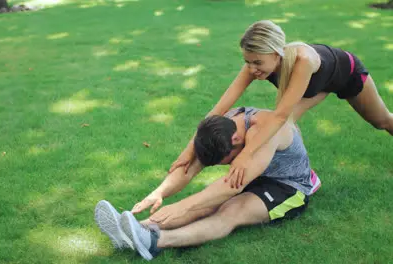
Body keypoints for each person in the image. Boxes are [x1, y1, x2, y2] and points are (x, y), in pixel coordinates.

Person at [169, 20, 393, 188]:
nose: (252, 68)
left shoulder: (302, 61)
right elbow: (218, 110)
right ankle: (304, 176)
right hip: (317, 85)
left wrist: (246, 154)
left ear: (277, 54)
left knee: (382, 121)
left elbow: (278, 116)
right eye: (247, 61)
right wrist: (189, 151)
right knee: (287, 125)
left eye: (258, 62)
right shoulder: (256, 64)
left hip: (347, 75)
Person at [95, 106, 319, 261]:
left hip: (288, 188)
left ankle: (156, 242)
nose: (227, 166)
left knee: (231, 210)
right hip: (257, 176)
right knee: (206, 202)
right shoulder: (222, 126)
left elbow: (232, 186)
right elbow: (190, 167)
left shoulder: (266, 131)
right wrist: (159, 193)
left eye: (227, 161)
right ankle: (137, 230)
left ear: (236, 142)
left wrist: (182, 205)